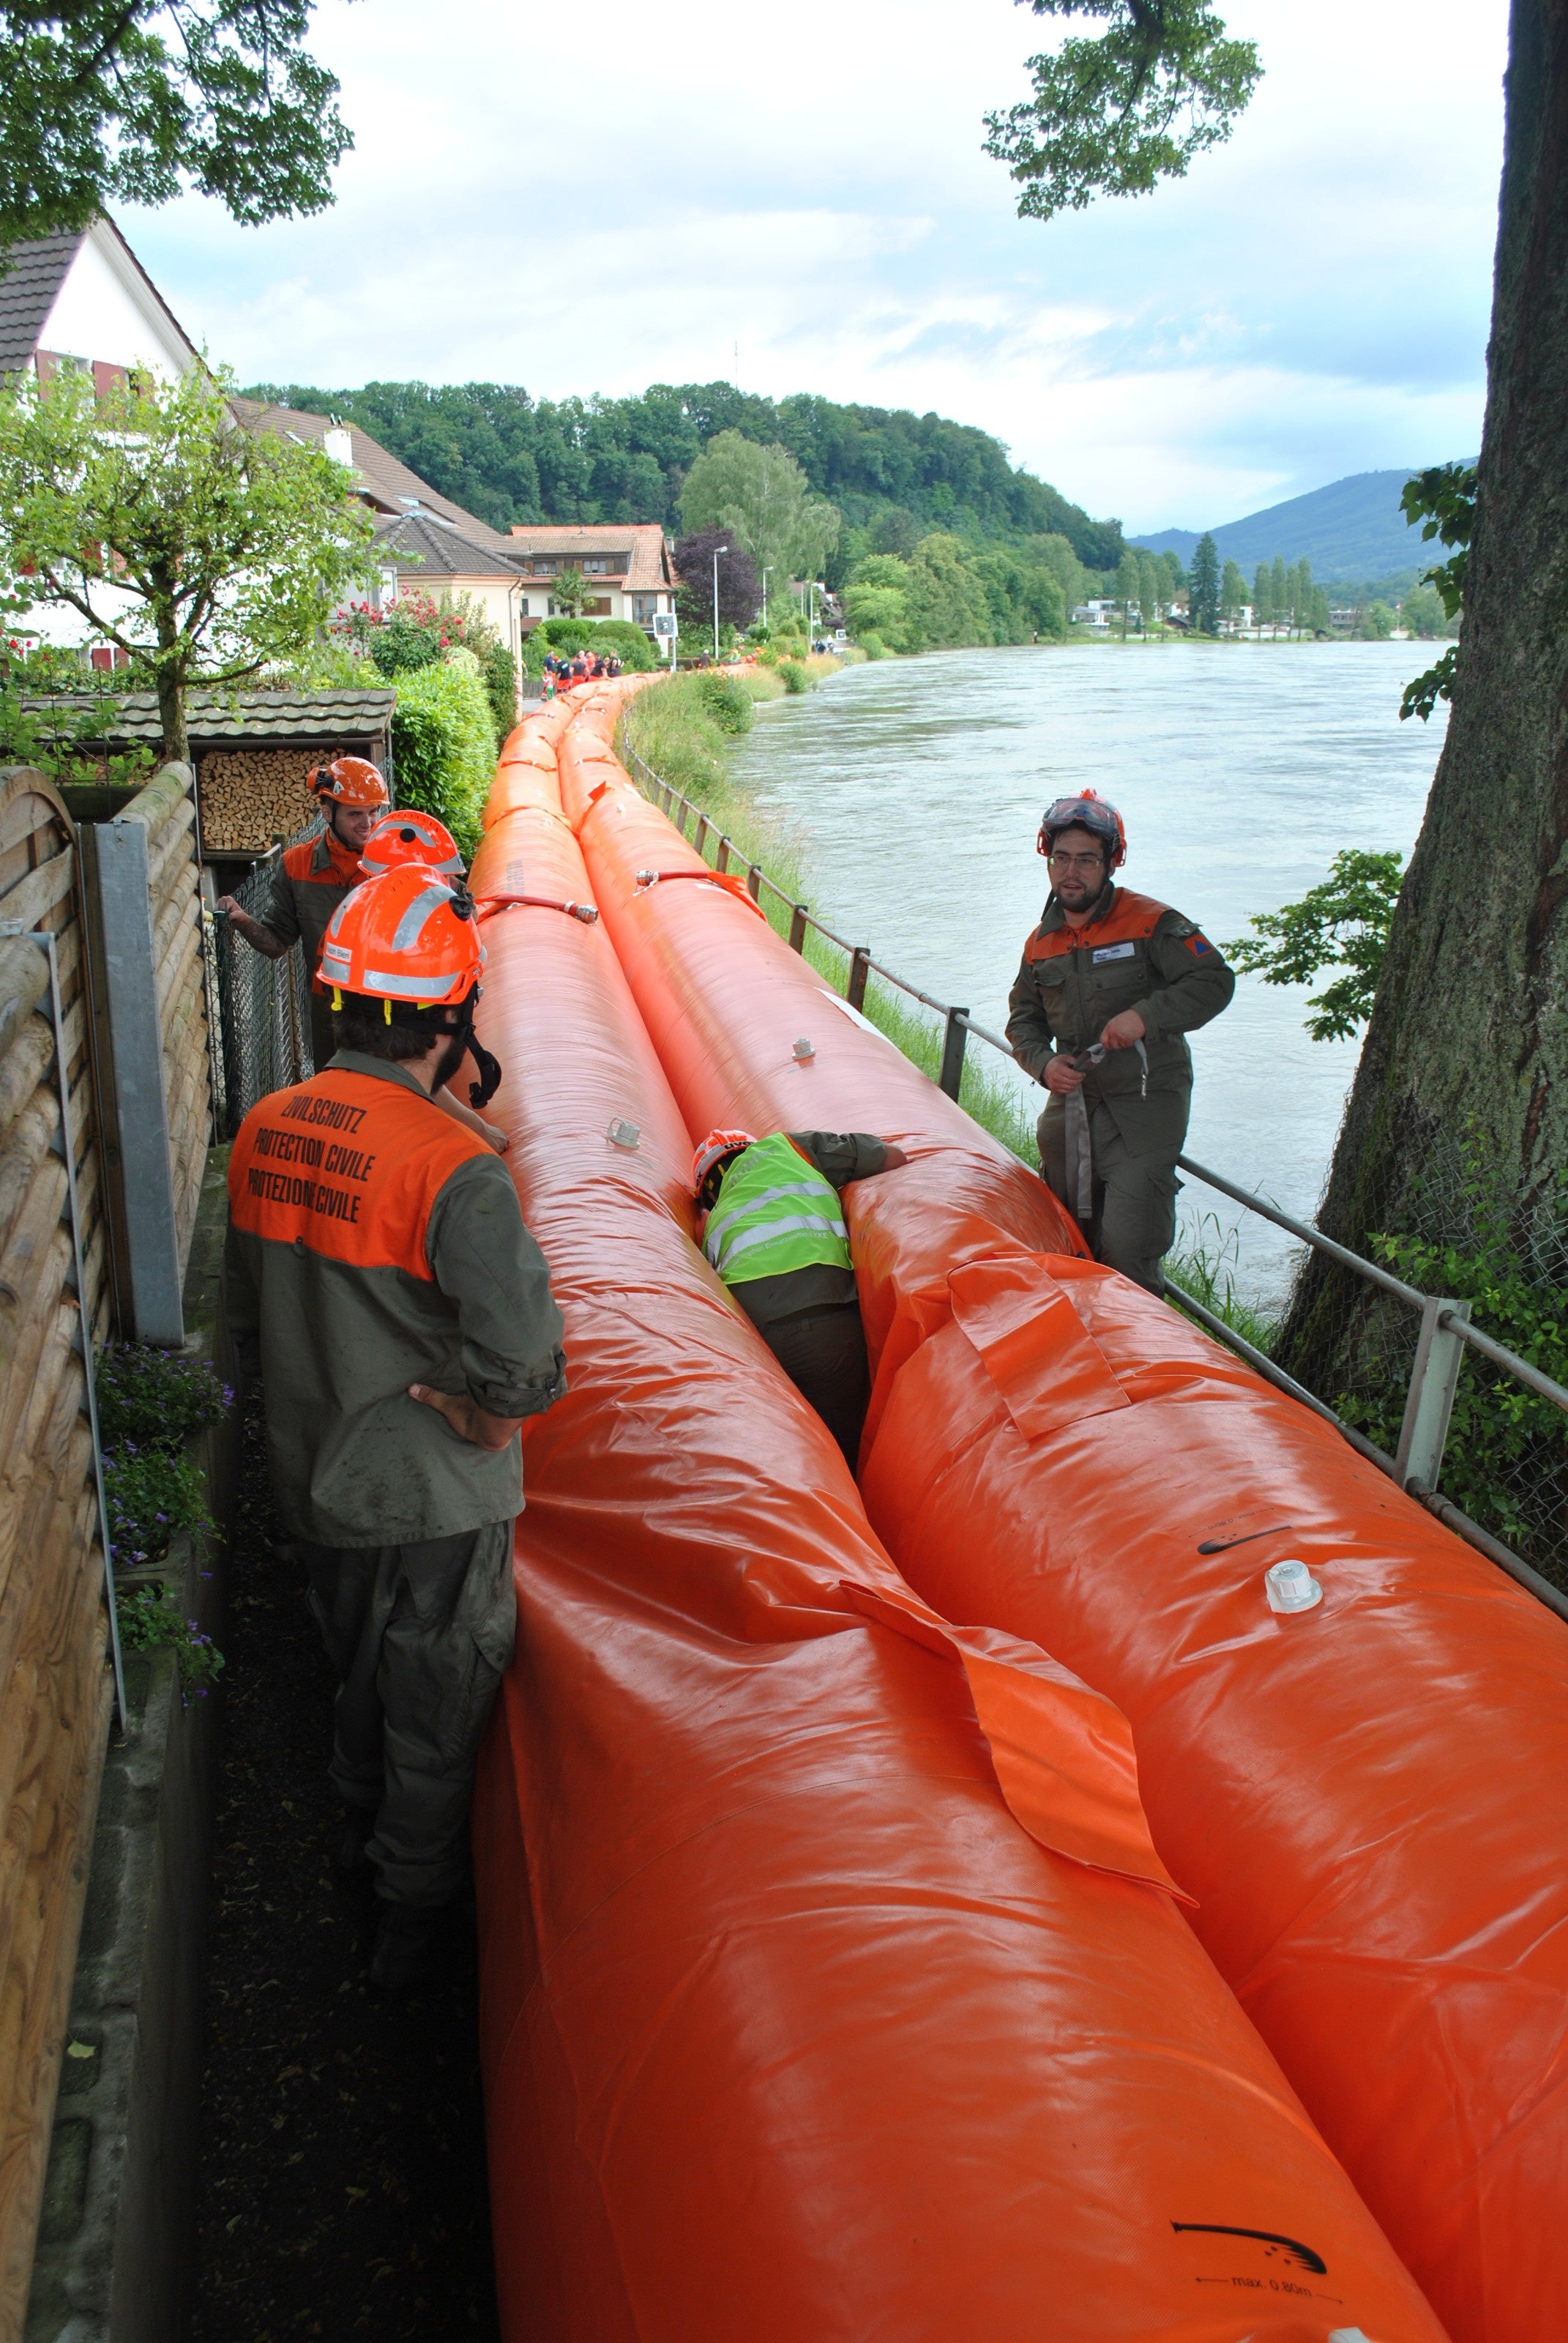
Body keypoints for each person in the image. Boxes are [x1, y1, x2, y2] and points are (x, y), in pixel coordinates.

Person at [225, 863, 566, 1989]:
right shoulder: (455, 1168)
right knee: (433, 1707)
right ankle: (407, 1919)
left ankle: (345, 1831)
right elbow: (523, 1367)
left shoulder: (265, 1125)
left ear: (336, 1002)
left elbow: (251, 1312)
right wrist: (483, 1409)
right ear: (452, 1017)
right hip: (429, 1500)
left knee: (353, 1670)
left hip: (316, 1481)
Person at [1006, 788, 1234, 1293]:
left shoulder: (1153, 923)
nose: (1072, 872)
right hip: (1072, 1109)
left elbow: (1215, 982)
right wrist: (1043, 1065)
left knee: (1129, 1251)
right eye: (1061, 858)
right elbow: (1023, 1019)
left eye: (1087, 860)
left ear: (1112, 863)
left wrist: (1145, 1016)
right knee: (1067, 1238)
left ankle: (1138, 1356)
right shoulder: (1040, 944)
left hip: (1145, 1108)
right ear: (1047, 861)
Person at [692, 1128, 906, 1467]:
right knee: (845, 1456)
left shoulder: (713, 1224)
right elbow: (892, 1158)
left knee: (791, 1459)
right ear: (749, 1146)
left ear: (707, 1194)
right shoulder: (787, 1147)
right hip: (827, 1321)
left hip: (756, 1344)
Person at [218, 756, 388, 1074]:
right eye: (355, 814)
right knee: (334, 1090)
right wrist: (242, 920)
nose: (368, 823)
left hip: (390, 1002)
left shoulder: (395, 863)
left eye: (373, 811)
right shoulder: (296, 864)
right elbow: (277, 943)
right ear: (327, 813)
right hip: (327, 1005)